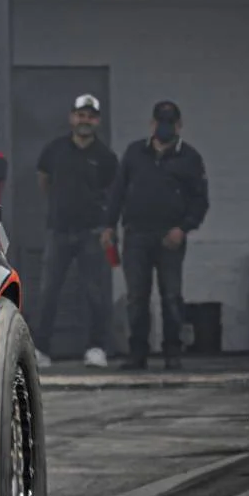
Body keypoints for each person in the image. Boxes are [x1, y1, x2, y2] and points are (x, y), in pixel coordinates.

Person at [104, 100, 209, 369]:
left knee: (171, 296)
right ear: (151, 124)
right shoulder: (134, 152)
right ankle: (137, 354)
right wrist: (108, 226)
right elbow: (117, 193)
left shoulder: (190, 158)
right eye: (160, 122)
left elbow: (200, 201)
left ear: (179, 125)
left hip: (170, 238)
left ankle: (172, 353)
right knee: (137, 297)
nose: (164, 127)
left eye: (170, 122)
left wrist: (183, 228)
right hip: (136, 235)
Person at [32, 94, 118, 369]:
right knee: (49, 292)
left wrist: (106, 227)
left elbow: (111, 195)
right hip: (58, 232)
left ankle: (96, 348)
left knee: (96, 293)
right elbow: (44, 181)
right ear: (72, 117)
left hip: (92, 234)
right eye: (81, 115)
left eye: (91, 116)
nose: (85, 120)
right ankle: (41, 349)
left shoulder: (105, 157)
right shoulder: (54, 150)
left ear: (98, 121)